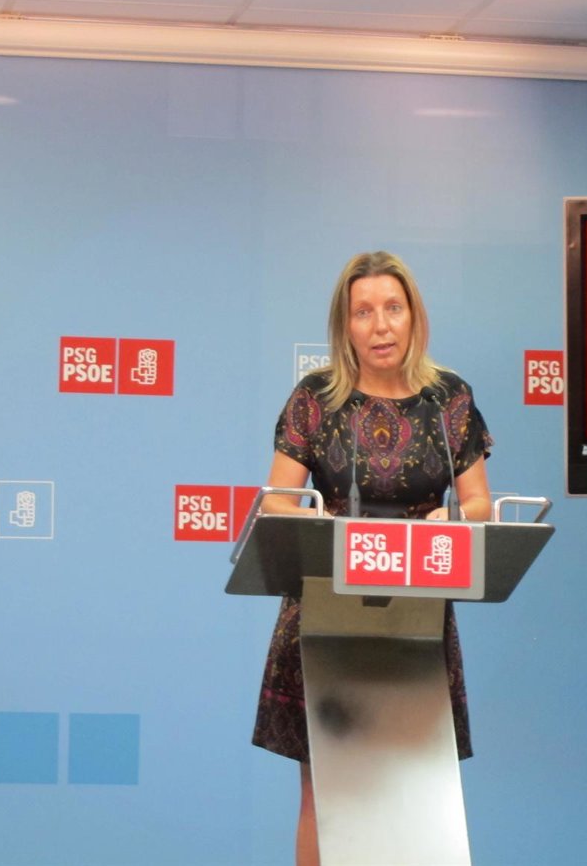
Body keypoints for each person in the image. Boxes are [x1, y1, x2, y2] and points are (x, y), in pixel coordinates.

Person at [251, 250, 493, 866]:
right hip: (324, 615)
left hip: (415, 619)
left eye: (393, 308)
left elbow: (480, 504)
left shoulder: (449, 399)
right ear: (345, 324)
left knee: (412, 791)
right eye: (363, 312)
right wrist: (320, 521)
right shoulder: (316, 398)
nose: (380, 326)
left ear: (414, 316)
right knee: (325, 792)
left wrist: (456, 518)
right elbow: (276, 501)